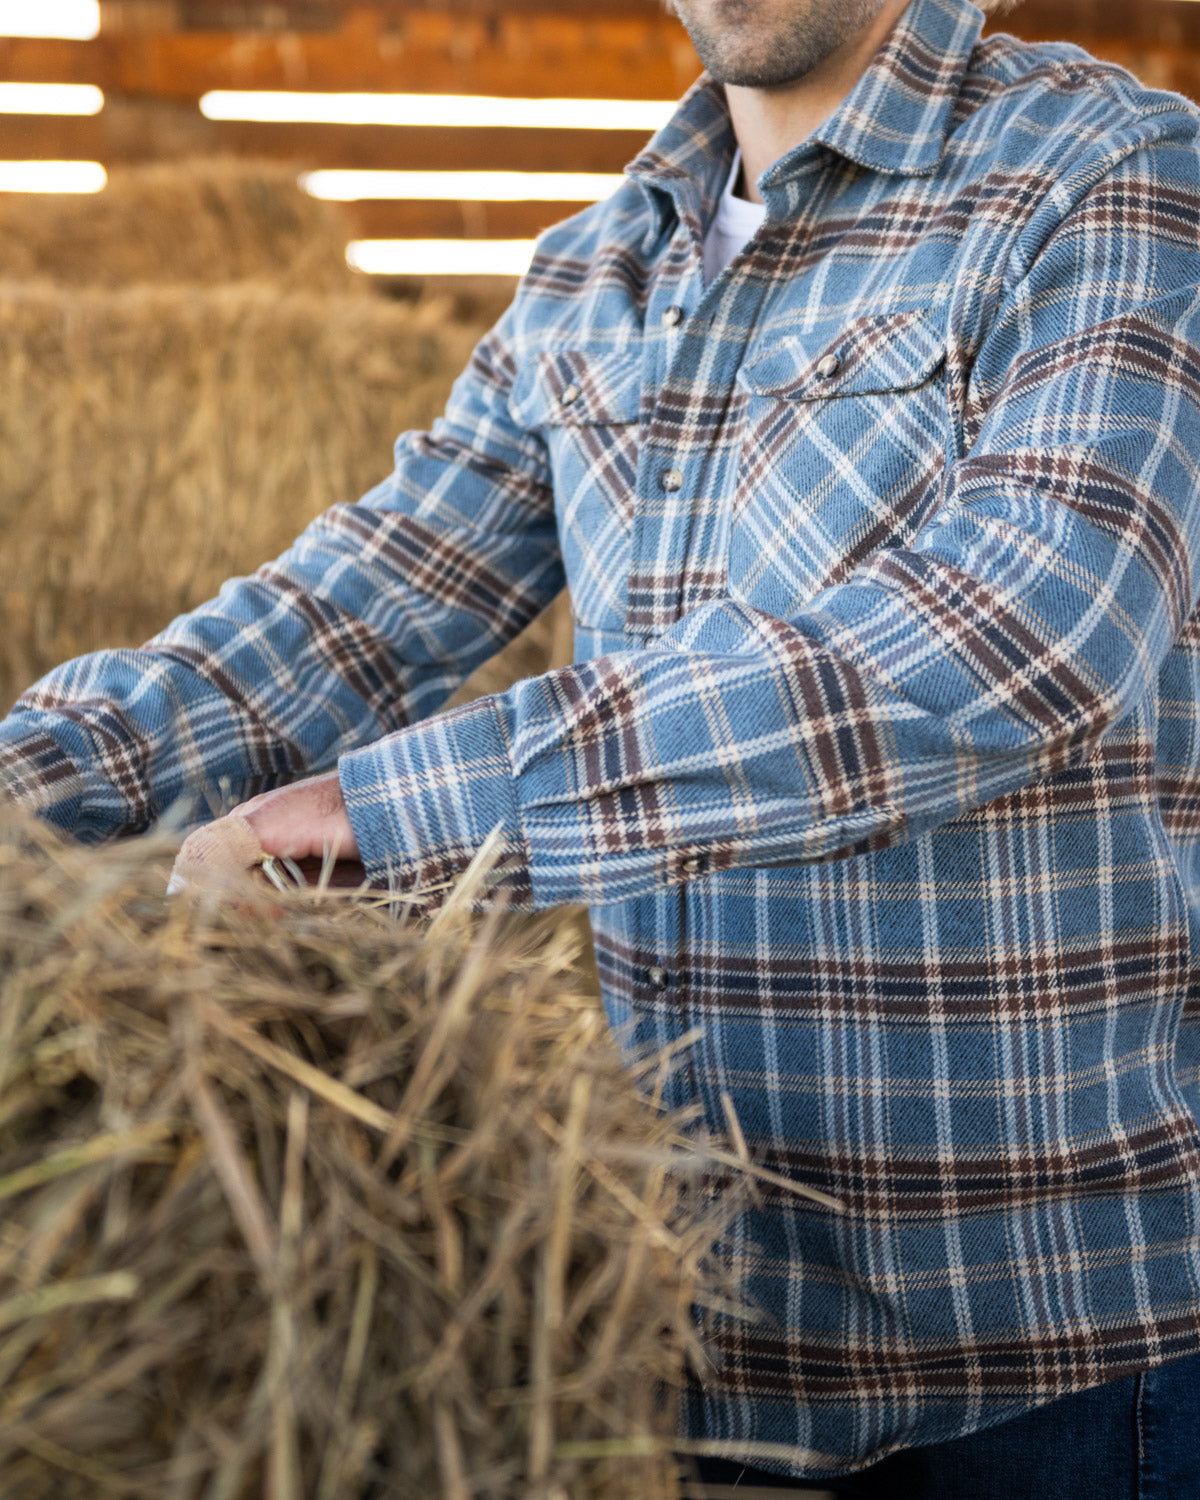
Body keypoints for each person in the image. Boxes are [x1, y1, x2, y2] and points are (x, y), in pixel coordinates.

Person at [6, 0, 1200, 1491]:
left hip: (1033, 1369)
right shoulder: (598, 267)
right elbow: (341, 618)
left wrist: (402, 814)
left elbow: (1020, 630)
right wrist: (24, 792)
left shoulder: (1106, 174)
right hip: (682, 1338)